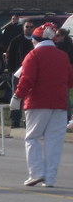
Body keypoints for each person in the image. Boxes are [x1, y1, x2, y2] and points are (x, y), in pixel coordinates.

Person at [15, 23, 73, 188]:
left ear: (36, 39)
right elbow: (70, 80)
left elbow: (27, 79)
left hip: (37, 102)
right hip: (60, 103)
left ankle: (36, 173)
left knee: (32, 137)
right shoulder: (63, 56)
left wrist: (17, 96)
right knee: (54, 142)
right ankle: (50, 178)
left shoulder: (33, 55)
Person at [5, 20, 36, 128]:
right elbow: (9, 56)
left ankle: (28, 121)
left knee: (31, 98)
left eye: (31, 27)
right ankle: (15, 120)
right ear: (23, 28)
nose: (29, 29)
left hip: (33, 74)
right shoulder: (16, 41)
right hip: (18, 73)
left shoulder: (36, 41)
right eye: (27, 27)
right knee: (17, 97)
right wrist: (12, 70)